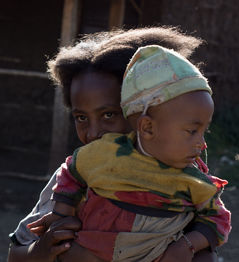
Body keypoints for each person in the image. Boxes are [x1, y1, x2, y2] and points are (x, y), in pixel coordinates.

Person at [8, 26, 220, 262]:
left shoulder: (182, 177)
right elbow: (15, 254)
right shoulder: (76, 174)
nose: (94, 133)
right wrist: (42, 249)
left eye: (109, 115)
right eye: (81, 118)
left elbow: (207, 241)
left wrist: (187, 247)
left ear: (144, 118)